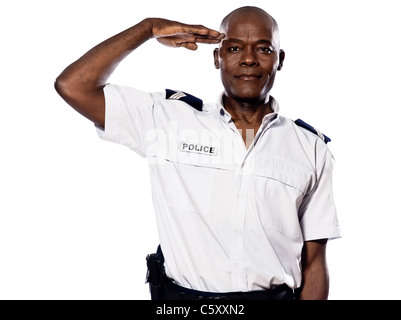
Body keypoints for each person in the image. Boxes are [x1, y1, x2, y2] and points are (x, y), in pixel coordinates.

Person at [55, 6, 341, 300]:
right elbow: (73, 86)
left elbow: (314, 263)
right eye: (233, 47)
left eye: (264, 48)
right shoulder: (168, 120)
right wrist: (148, 28)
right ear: (217, 58)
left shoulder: (311, 148)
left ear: (279, 60)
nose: (248, 59)